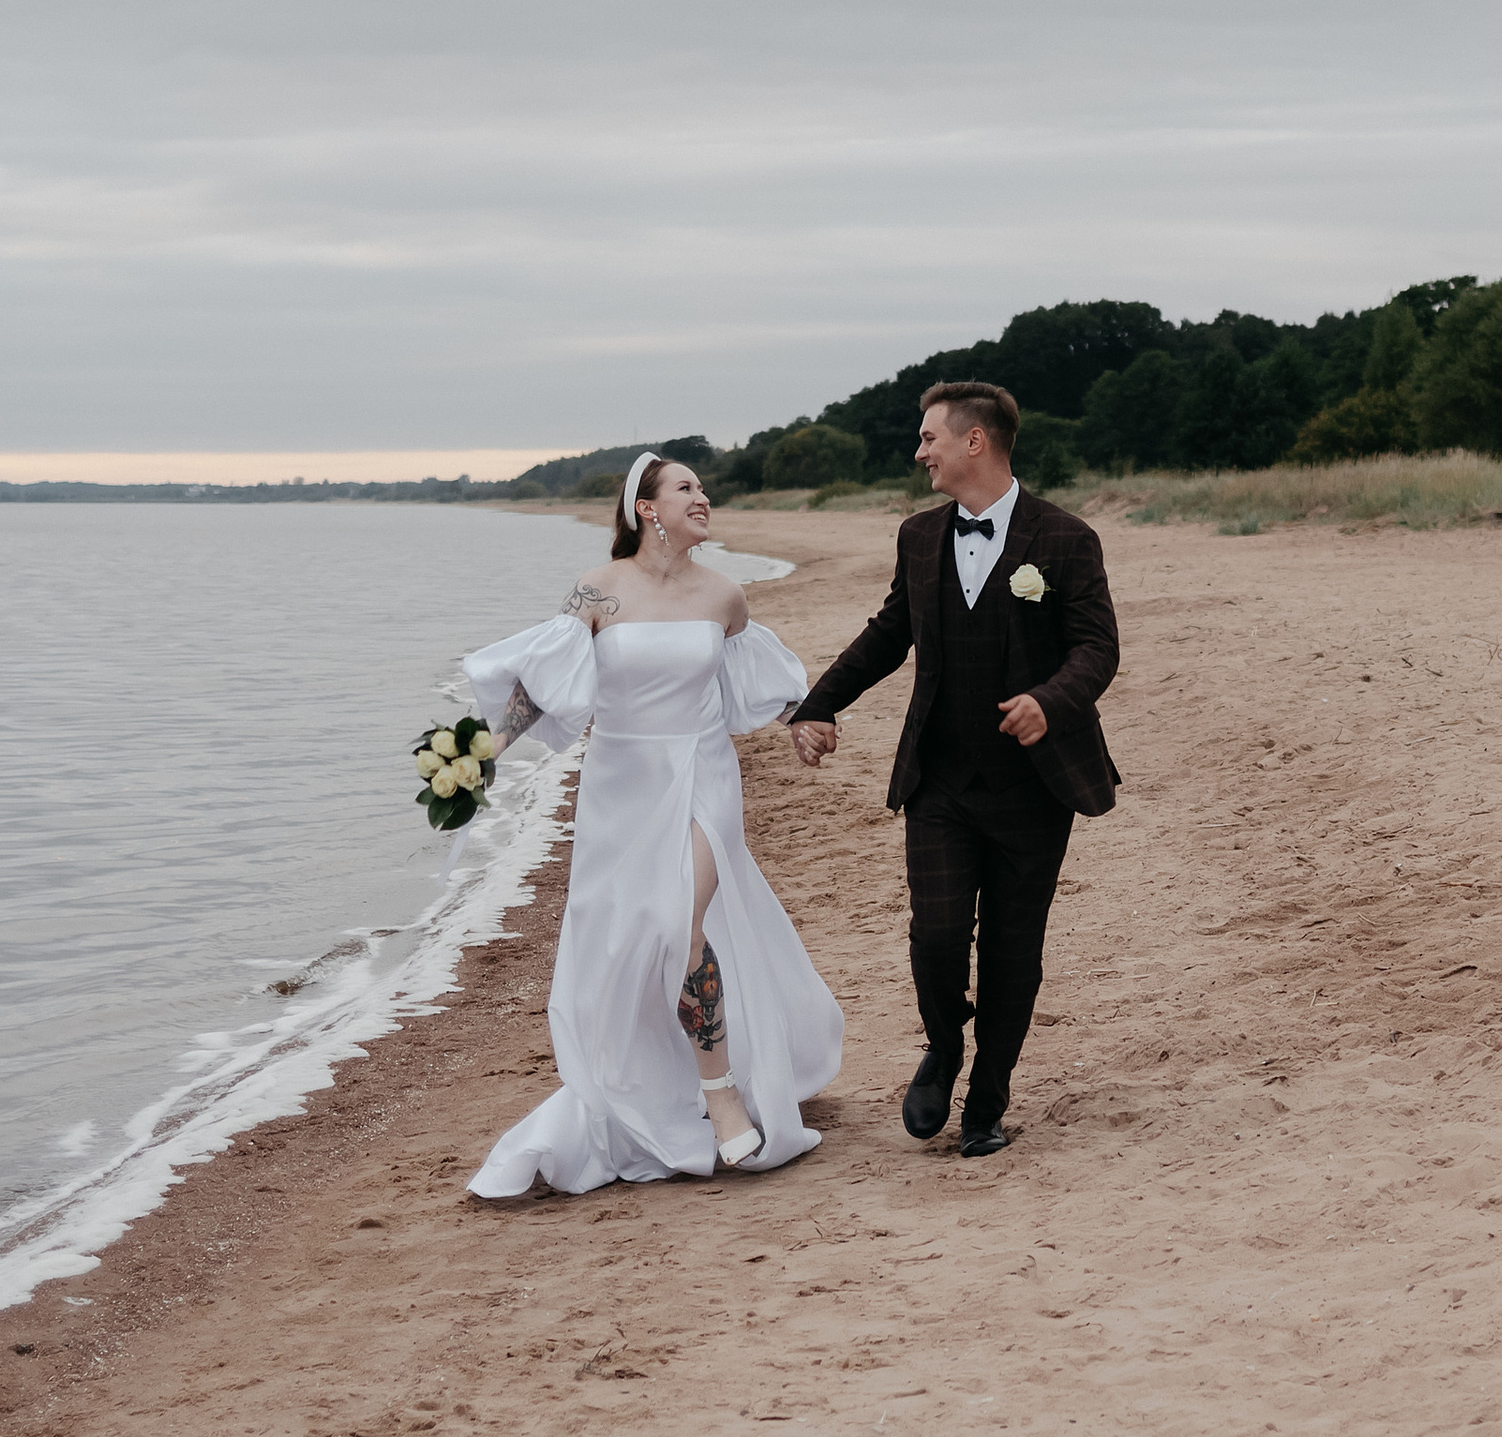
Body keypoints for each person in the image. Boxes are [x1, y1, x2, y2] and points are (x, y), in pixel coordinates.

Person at [460, 455, 843, 1198]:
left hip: (703, 776)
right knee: (636, 941)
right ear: (646, 508)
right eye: (686, 488)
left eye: (702, 487)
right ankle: (657, 1081)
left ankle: (721, 1093)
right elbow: (544, 685)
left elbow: (756, 684)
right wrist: (484, 752)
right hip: (621, 786)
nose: (704, 497)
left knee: (678, 924)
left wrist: (805, 722)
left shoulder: (725, 595)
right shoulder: (598, 588)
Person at [788, 381, 1120, 1159]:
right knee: (936, 937)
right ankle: (943, 1043)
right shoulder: (918, 537)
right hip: (938, 779)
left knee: (1014, 951)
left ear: (976, 442)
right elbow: (887, 635)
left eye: (930, 437)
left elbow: (1097, 649)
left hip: (1035, 789)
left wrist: (1050, 699)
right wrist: (817, 705)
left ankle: (989, 1102)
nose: (919, 451)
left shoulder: (1067, 539)